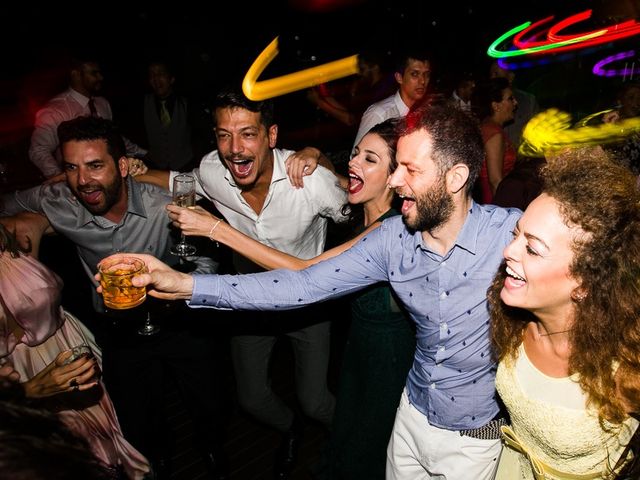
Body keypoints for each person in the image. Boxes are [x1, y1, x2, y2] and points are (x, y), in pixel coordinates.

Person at [101, 100, 522, 480]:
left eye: (409, 170)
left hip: (473, 435)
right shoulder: (391, 239)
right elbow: (300, 283)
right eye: (395, 167)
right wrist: (184, 284)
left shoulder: (513, 234)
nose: (395, 182)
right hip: (410, 417)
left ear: (456, 178)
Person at [167, 119, 414, 479]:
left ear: (395, 176)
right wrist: (316, 154)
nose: (354, 161)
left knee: (368, 445)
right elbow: (334, 178)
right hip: (360, 349)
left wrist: (216, 229)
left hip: (387, 359)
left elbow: (305, 272)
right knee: (348, 427)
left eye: (370, 159)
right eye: (356, 152)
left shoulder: (391, 229)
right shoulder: (364, 207)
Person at [135, 87, 348, 479]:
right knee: (250, 398)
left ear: (271, 136)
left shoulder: (309, 180)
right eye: (223, 135)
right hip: (248, 297)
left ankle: (352, 442)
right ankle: (290, 431)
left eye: (248, 133)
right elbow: (184, 181)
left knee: (316, 401)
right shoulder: (214, 170)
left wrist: (321, 157)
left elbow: (355, 198)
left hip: (308, 301)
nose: (234, 148)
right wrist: (134, 170)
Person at [1, 116, 226, 480]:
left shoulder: (163, 204)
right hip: (118, 329)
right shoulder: (58, 200)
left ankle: (213, 451)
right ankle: (160, 459)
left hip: (179, 320)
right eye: (71, 168)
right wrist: (23, 221)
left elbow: (208, 259)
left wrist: (181, 286)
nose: (82, 180)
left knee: (207, 397)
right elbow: (7, 203)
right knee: (139, 412)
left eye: (94, 166)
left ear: (123, 166)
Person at [489, 148, 640, 479]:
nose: (508, 251)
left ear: (584, 283)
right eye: (517, 234)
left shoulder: (627, 362)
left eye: (532, 248)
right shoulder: (512, 319)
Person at [0, 222, 150, 479]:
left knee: (105, 431)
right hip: (19, 369)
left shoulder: (18, 231)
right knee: (67, 445)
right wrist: (27, 389)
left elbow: (58, 204)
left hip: (67, 342)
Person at [29, 52, 147, 183]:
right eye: (94, 73)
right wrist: (64, 180)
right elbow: (38, 150)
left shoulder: (103, 103)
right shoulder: (56, 110)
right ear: (76, 74)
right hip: (81, 183)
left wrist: (143, 153)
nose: (100, 77)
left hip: (110, 179)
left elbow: (113, 137)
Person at [352, 50, 431, 148]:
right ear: (399, 77)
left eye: (426, 75)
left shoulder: (427, 112)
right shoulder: (379, 114)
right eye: (415, 74)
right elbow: (357, 157)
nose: (423, 81)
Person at [142, 60, 197, 171]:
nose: (156, 79)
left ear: (171, 79)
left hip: (184, 167)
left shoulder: (187, 103)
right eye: (152, 75)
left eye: (160, 74)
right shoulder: (143, 103)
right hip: (155, 167)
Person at [472, 77, 518, 204]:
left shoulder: (487, 126)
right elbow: (495, 180)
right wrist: (504, 213)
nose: (515, 103)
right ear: (496, 106)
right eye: (510, 99)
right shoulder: (494, 133)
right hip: (496, 202)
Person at [489, 60, 540, 151]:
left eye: (496, 74)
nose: (492, 78)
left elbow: (537, 135)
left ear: (510, 77)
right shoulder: (484, 101)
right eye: (491, 74)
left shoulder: (528, 101)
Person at [602, 82, 640, 175]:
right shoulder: (610, 123)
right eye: (631, 97)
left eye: (639, 98)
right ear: (620, 101)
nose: (637, 103)